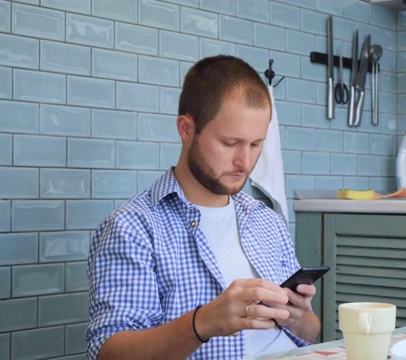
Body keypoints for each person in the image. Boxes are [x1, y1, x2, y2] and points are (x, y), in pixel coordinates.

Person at [86, 55, 321, 360]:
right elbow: (107, 353)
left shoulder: (266, 221)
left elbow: (313, 332)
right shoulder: (133, 228)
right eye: (229, 143)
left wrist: (298, 316)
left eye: (255, 144)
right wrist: (202, 323)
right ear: (186, 129)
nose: (245, 162)